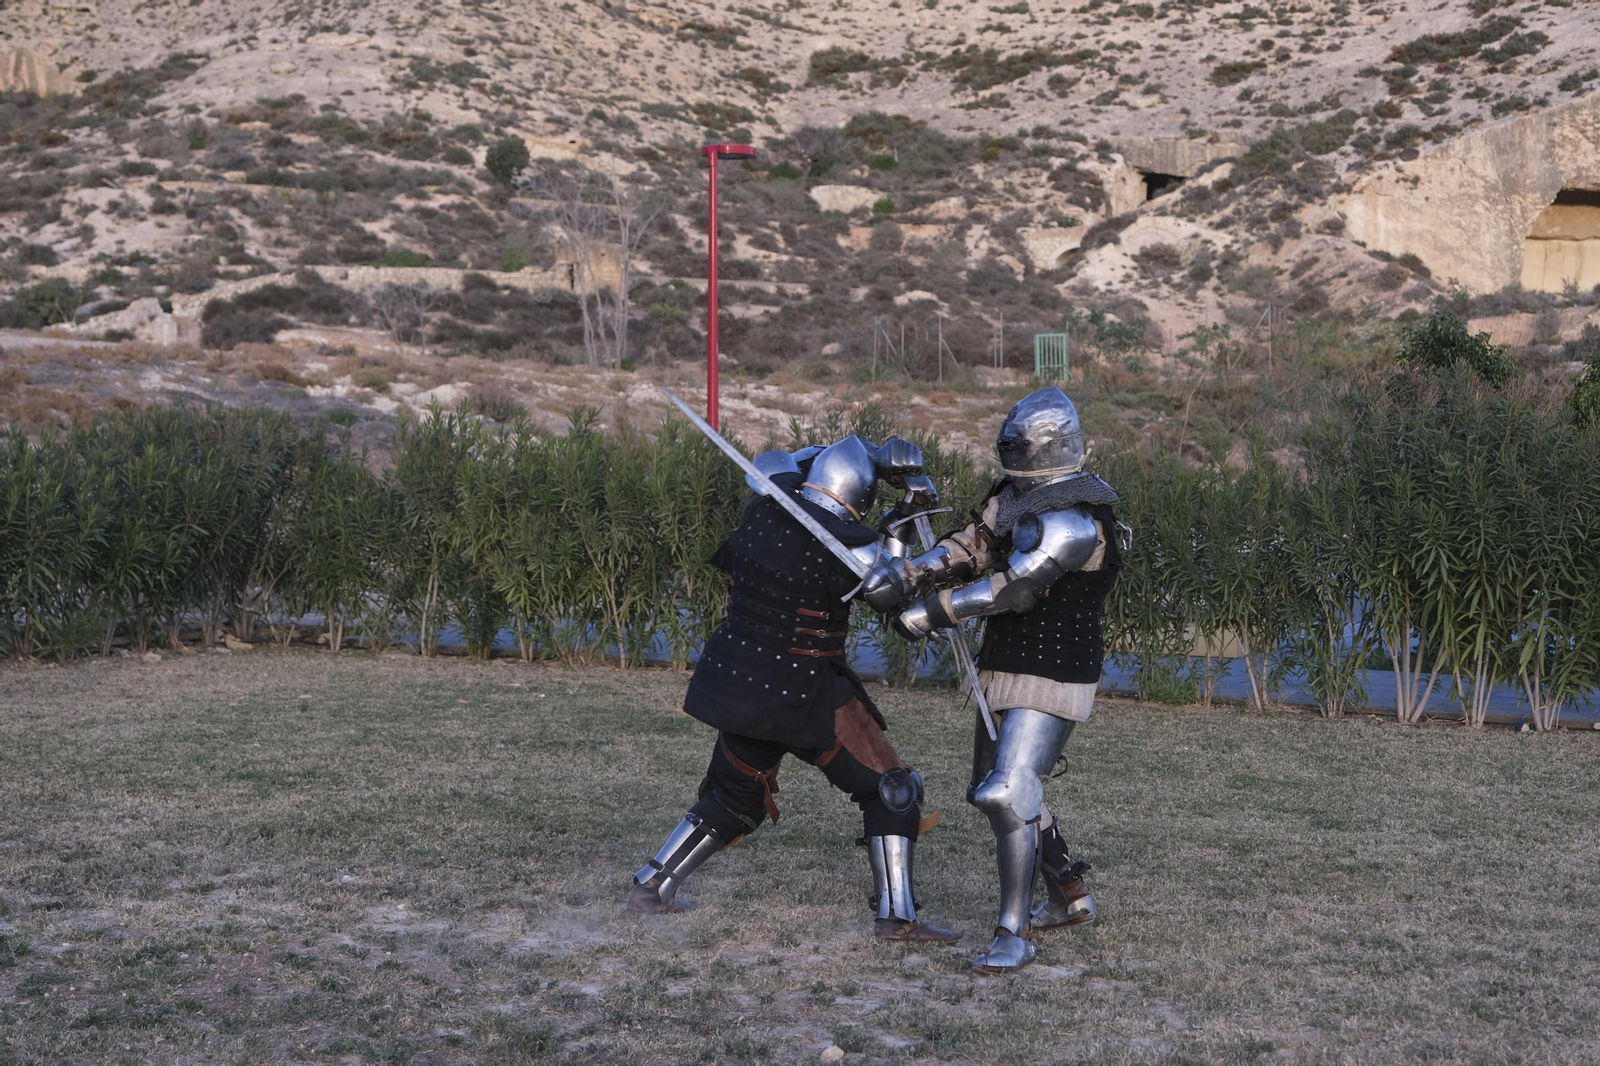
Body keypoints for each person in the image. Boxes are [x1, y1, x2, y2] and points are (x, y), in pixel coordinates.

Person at [627, 434, 963, 944]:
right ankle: (897, 917)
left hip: (744, 680)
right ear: (859, 501)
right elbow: (893, 591)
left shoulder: (761, 507)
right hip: (808, 693)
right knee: (892, 791)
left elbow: (783, 461)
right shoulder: (853, 548)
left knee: (735, 795)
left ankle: (652, 886)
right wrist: (903, 516)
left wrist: (864, 456)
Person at [861, 386, 1124, 972]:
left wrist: (933, 611)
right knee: (994, 784)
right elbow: (975, 544)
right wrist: (913, 571)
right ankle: (1071, 893)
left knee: (1008, 791)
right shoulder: (1014, 496)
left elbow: (1014, 587)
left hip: (1053, 667)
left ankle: (1015, 930)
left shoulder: (1078, 518)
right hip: (1005, 660)